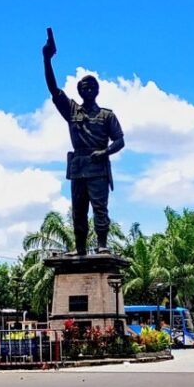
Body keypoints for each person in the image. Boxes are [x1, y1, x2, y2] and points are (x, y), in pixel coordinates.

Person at [42, 28, 125, 256]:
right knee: (78, 211)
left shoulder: (107, 115)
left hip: (98, 166)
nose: (88, 90)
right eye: (84, 87)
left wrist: (105, 152)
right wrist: (47, 59)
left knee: (100, 209)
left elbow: (120, 140)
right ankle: (79, 249)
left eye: (92, 87)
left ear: (97, 91)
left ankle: (102, 245)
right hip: (78, 166)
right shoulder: (71, 111)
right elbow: (53, 89)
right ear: (79, 91)